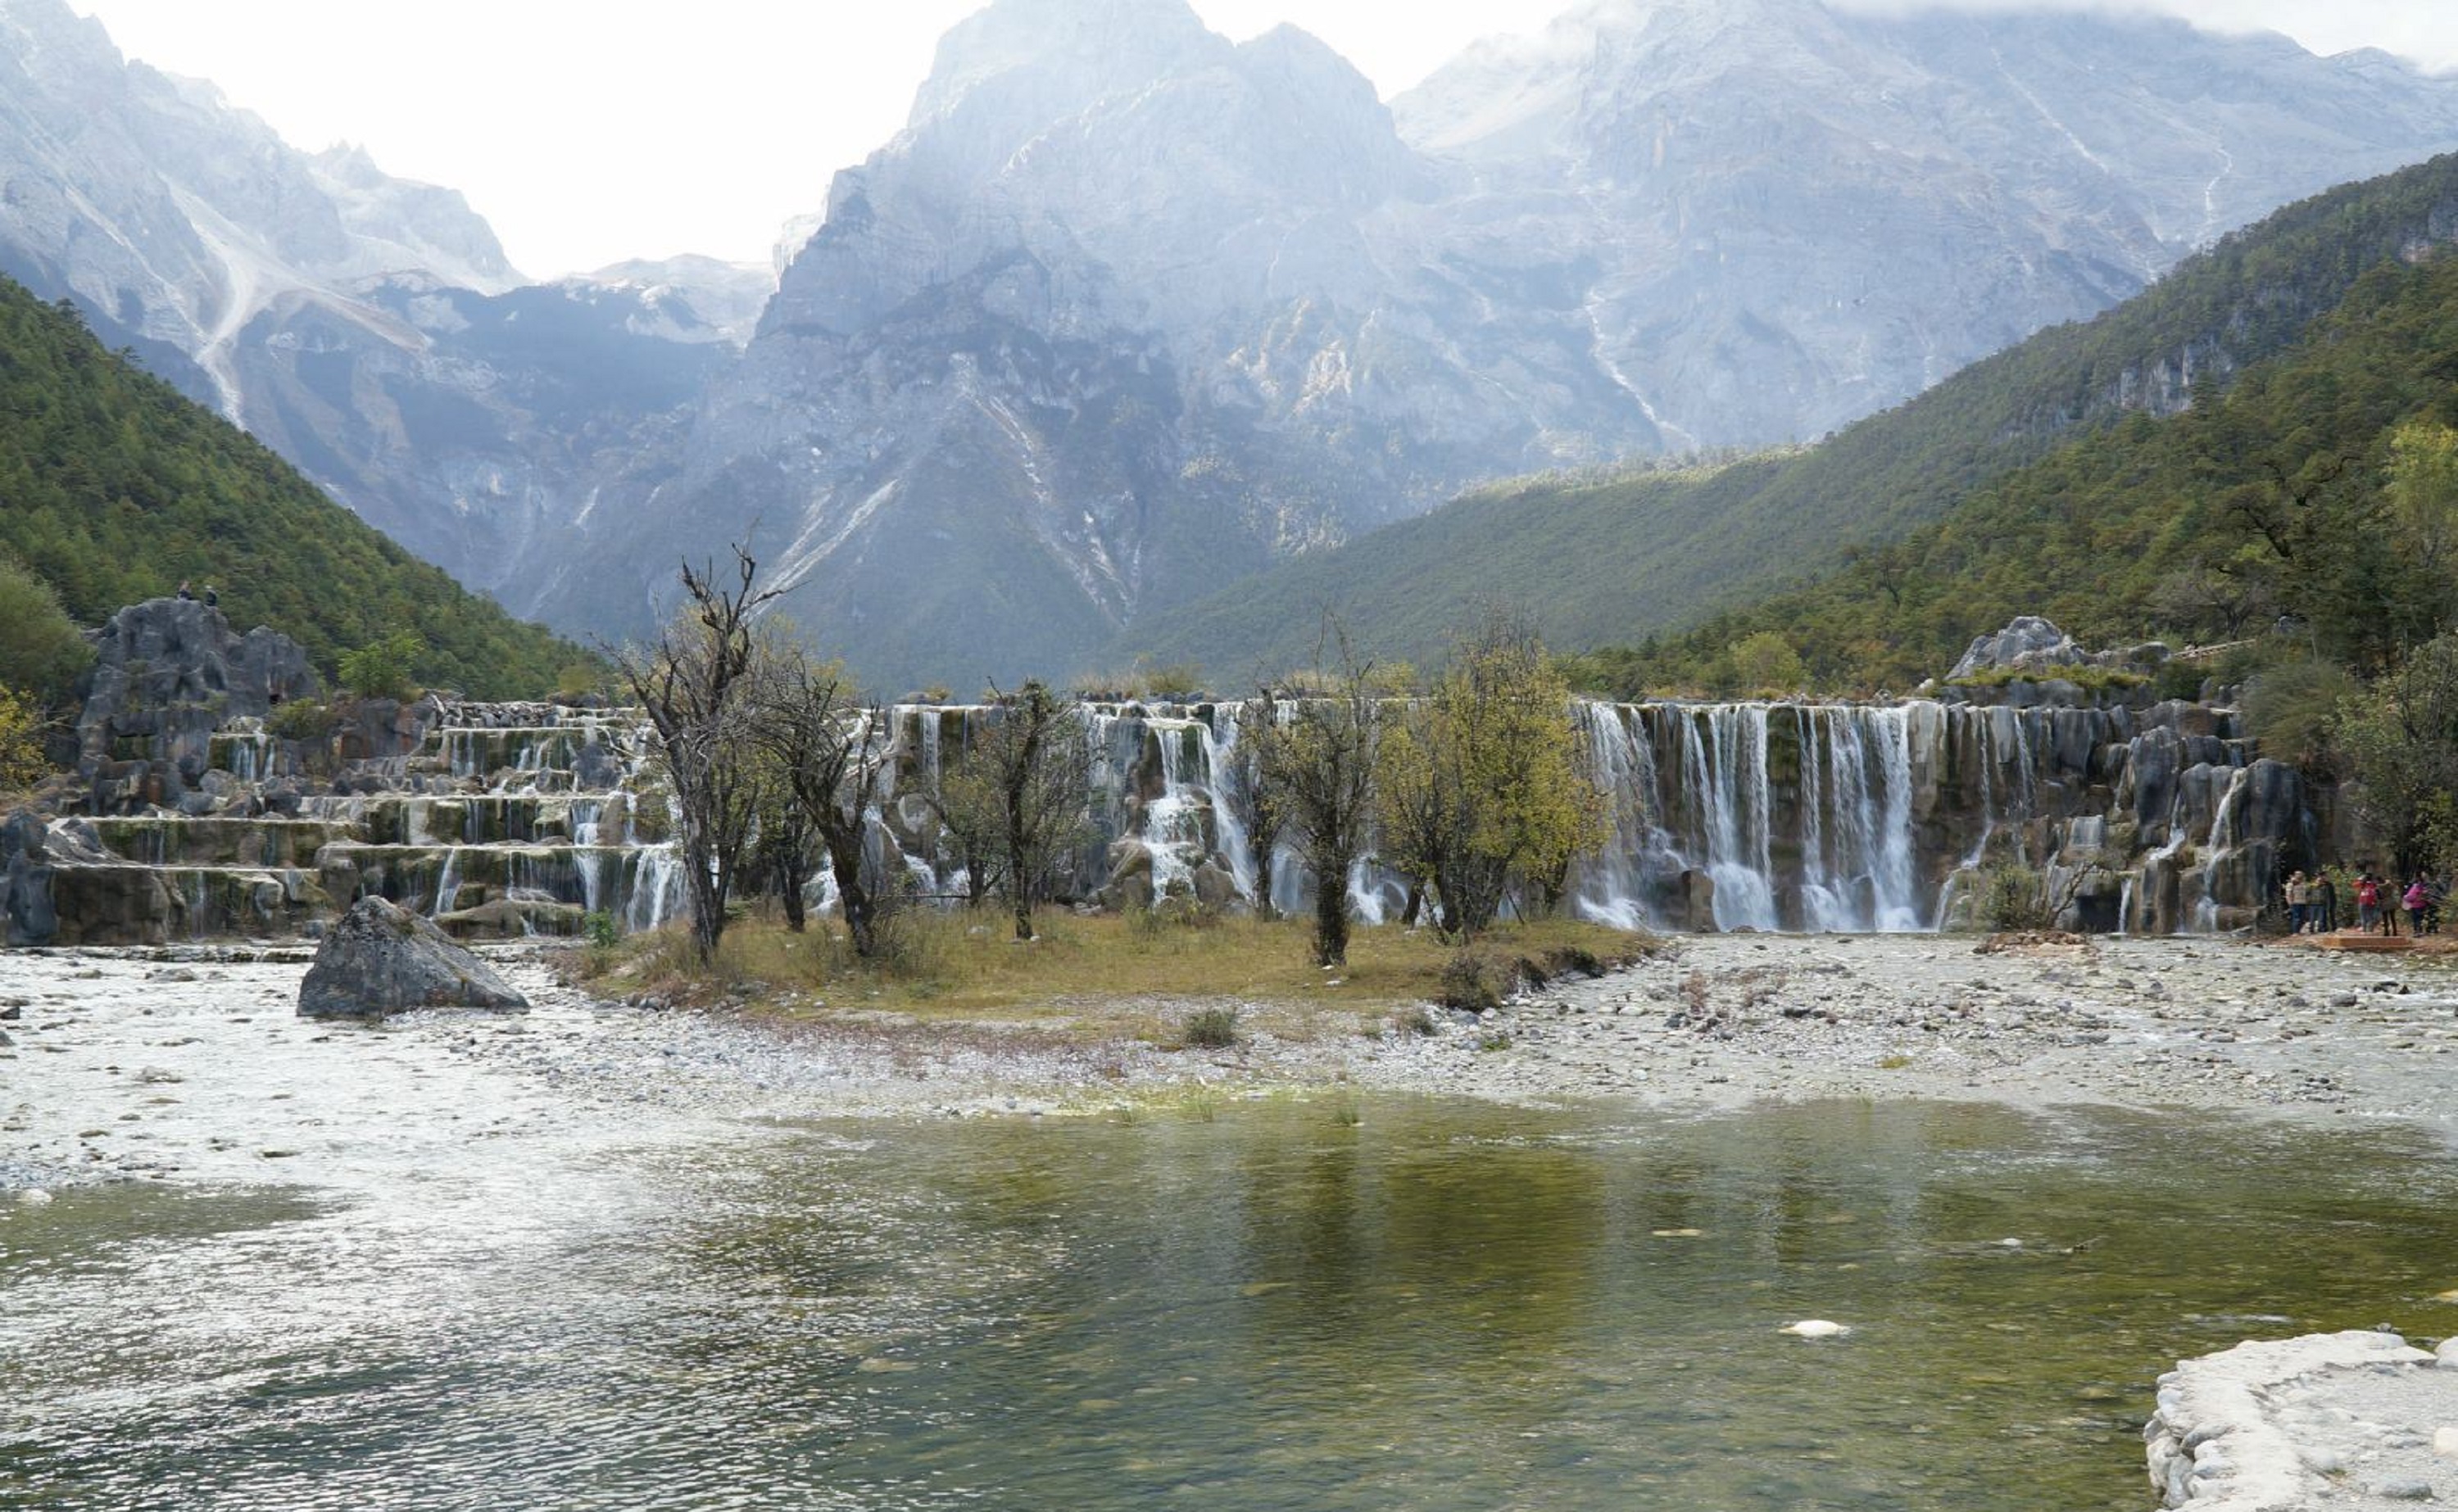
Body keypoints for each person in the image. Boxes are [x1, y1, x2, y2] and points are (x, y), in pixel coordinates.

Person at [2407, 874, 2432, 939]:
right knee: (2419, 919)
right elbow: (2425, 896)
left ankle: (2415, 932)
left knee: (2415, 919)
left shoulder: (2414, 886)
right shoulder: (2423, 888)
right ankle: (2419, 932)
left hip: (2413, 905)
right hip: (2420, 905)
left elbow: (2410, 895)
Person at [2285, 871, 2310, 935]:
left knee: (2302, 918)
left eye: (2301, 874)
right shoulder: (2291, 884)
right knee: (2296, 918)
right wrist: (2290, 903)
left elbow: (2306, 893)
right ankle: (2295, 932)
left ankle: (2299, 931)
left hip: (2303, 903)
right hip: (2295, 903)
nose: (2300, 875)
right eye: (2298, 874)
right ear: (2295, 875)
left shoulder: (2303, 884)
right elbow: (2288, 894)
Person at [2315, 870, 2338, 935]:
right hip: (2322, 902)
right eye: (2323, 876)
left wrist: (2334, 901)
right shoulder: (2318, 884)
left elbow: (2333, 894)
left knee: (2332, 915)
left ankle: (2334, 928)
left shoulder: (2329, 884)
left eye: (2325, 876)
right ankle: (2323, 929)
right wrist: (2319, 883)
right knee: (2322, 915)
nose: (2325, 877)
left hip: (2331, 901)